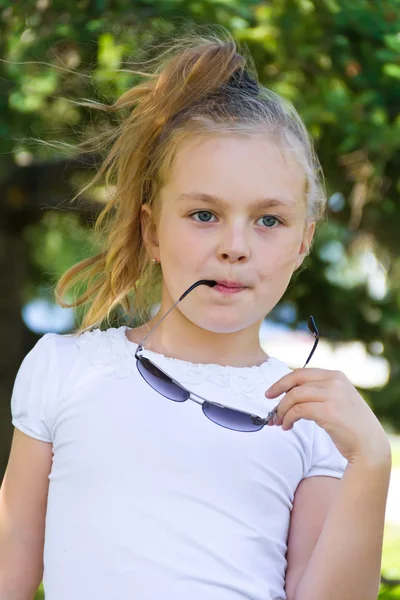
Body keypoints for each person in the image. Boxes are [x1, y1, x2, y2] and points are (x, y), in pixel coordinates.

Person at [1, 28, 391, 600]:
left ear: (304, 242)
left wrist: (371, 460)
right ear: (151, 229)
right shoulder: (65, 371)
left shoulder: (310, 416)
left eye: (268, 220)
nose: (235, 245)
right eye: (204, 215)